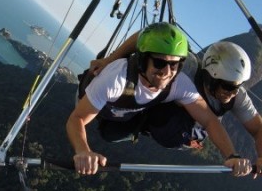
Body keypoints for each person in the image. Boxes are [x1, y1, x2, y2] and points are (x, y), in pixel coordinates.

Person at [88, 30, 262, 178]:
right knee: (110, 133)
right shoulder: (188, 67)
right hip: (155, 117)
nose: (234, 92)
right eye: (228, 86)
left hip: (185, 134)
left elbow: (257, 128)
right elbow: (145, 36)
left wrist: (240, 156)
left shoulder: (237, 97)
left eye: (238, 86)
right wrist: (109, 61)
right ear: (211, 77)